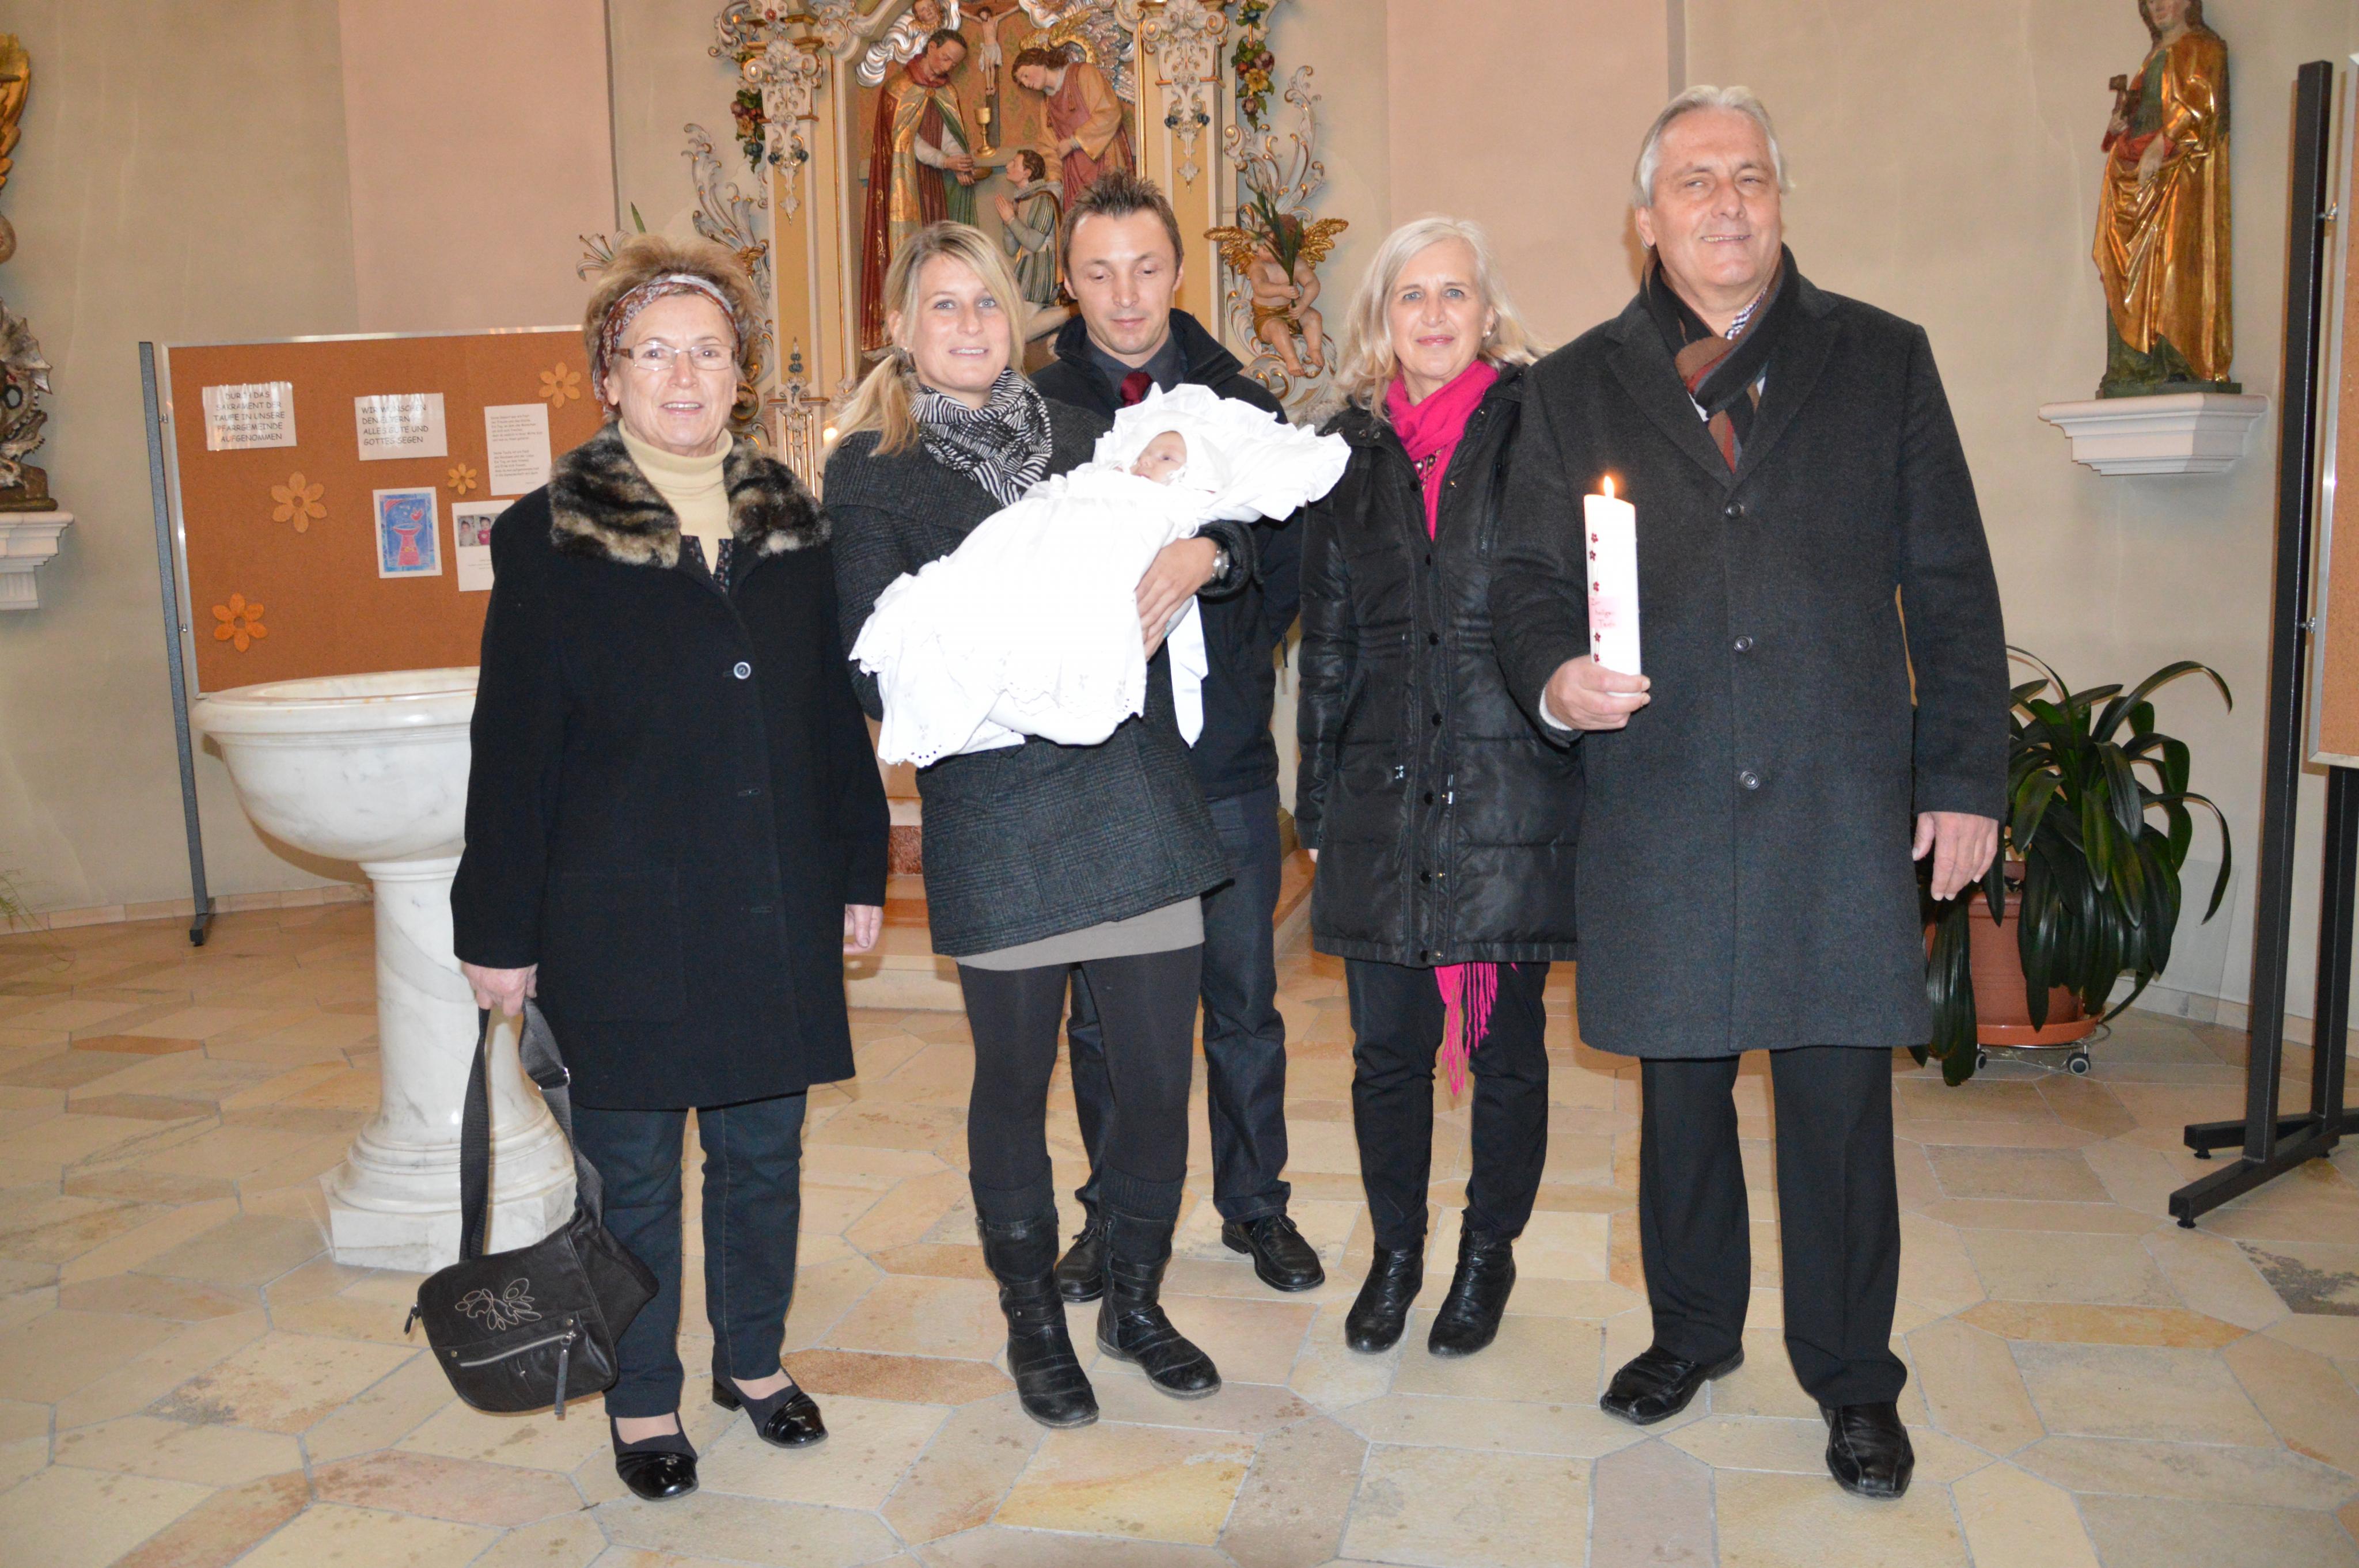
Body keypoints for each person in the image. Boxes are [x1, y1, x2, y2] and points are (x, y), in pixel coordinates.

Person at [1489, 87, 2008, 1499]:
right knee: (1680, 1088)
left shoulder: (1881, 358)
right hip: (1660, 788)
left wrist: (1964, 774)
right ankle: (1691, 1330)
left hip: (1834, 793)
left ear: (1779, 201)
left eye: (1749, 179)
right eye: (1695, 182)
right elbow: (1525, 582)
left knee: (1837, 1099)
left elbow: (1950, 583)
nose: (1725, 204)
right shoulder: (1576, 382)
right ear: (1645, 220)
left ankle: (1852, 1377)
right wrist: (1555, 680)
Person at [450, 234, 889, 1504]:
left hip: (768, 896)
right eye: (655, 352)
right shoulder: (547, 537)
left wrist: (858, 864)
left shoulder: (794, 524)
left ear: (740, 374)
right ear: (609, 375)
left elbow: (826, 715)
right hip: (620, 913)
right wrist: (498, 929)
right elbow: (512, 744)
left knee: (764, 1154)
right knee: (632, 1172)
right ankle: (641, 1391)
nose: (684, 375)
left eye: (708, 351)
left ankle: (751, 1360)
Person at [828, 221, 1256, 1429]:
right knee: (1013, 1082)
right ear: (901, 328)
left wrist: (1208, 553)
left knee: (1156, 1083)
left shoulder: (1084, 434)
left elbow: (1217, 511)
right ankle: (1032, 1316)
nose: (968, 324)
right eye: (942, 304)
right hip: (999, 814)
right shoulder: (869, 467)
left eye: (985, 302)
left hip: (1133, 795)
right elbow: (871, 658)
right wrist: (1041, 650)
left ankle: (1134, 1297)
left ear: (1014, 321)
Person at [1030, 171, 1323, 1302]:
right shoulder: (1036, 411)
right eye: (1099, 272)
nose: (1124, 295)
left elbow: (1290, 566)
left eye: (1145, 268)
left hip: (1222, 762)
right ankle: (1111, 1215)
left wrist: (1218, 552)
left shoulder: (1239, 397)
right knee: (1103, 1019)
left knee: (1241, 1001)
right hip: (1095, 764)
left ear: (1177, 272)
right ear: (1069, 280)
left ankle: (1257, 1205)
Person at [1295, 217, 1571, 1360]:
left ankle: (1485, 1253)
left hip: (1506, 792)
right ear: (1381, 320)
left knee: (1504, 1054)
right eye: (1410, 295)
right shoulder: (1345, 454)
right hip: (1380, 791)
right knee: (1385, 1052)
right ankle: (1397, 1252)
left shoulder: (1538, 429)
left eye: (1454, 292)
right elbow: (1327, 641)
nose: (1433, 314)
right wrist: (1317, 803)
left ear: (1486, 313)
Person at [2095, 0, 2232, 394]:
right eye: (2150, 0)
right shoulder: (2152, 57)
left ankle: (2176, 360)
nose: (2157, 5)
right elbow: (2141, 111)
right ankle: (2131, 365)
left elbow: (2201, 105)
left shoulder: (2204, 48)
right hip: (2132, 174)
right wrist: (2119, 126)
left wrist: (2164, 141)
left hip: (2176, 177)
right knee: (2124, 265)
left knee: (2171, 259)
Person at [860, 29, 981, 352]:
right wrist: (945, 160)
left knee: (939, 254)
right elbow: (905, 141)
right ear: (931, 47)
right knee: (912, 255)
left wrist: (958, 161)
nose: (948, 67)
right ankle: (909, 330)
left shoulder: (946, 92)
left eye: (955, 64)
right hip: (905, 186)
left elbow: (949, 134)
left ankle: (942, 320)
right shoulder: (898, 89)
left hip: (936, 189)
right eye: (946, 58)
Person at [1012, 46, 1132, 210]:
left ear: (1039, 62)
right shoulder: (1046, 105)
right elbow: (1048, 147)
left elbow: (1109, 112)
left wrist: (1074, 142)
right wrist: (1054, 182)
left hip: (1104, 163)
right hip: (1073, 175)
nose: (1027, 83)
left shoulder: (1082, 74)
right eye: (1023, 83)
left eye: (1025, 75)